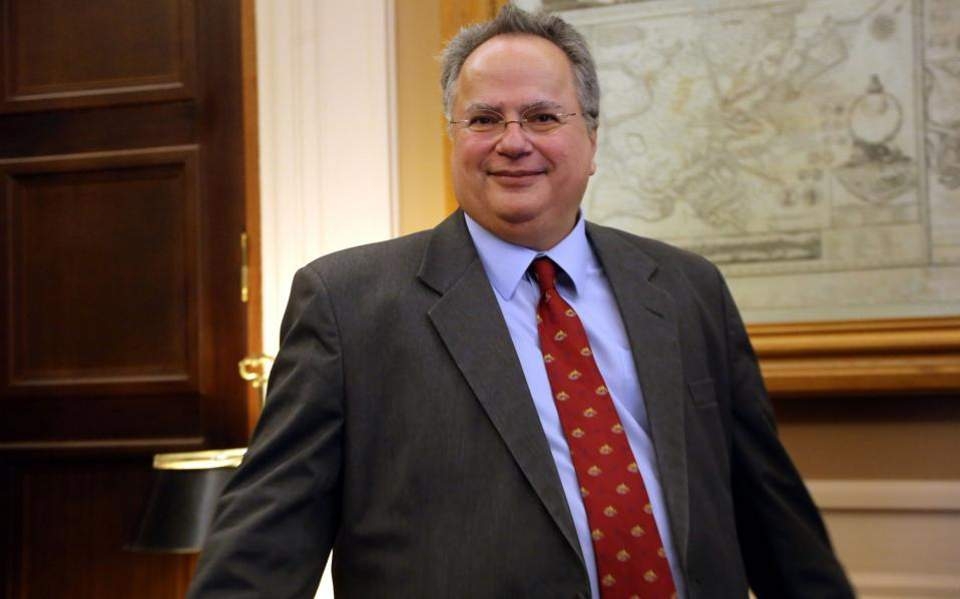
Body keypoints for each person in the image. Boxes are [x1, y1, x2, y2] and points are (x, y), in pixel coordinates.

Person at [187, 5, 854, 598]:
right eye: (484, 119)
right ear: (454, 138)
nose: (513, 141)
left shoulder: (687, 288)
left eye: (541, 116)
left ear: (591, 140)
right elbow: (263, 546)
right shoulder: (348, 305)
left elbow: (775, 521)